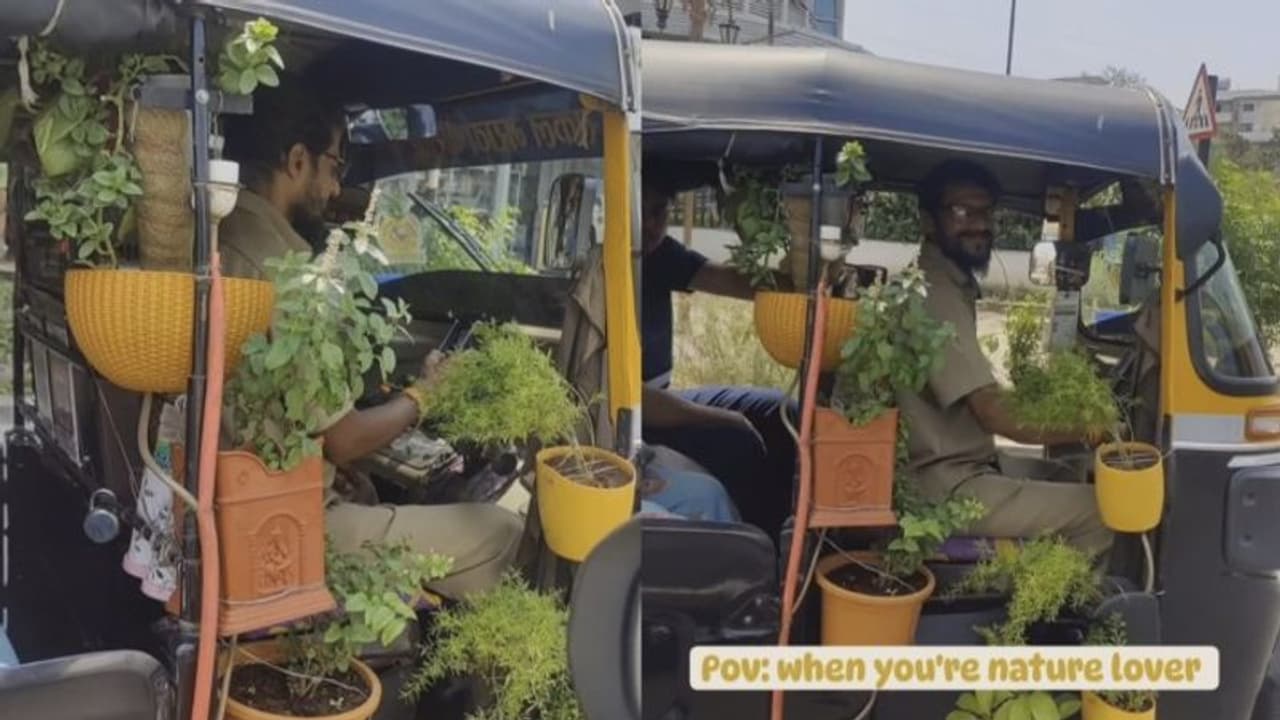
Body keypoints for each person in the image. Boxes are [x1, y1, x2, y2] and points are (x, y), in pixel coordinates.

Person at [219, 79, 522, 598]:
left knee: (377, 493)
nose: (337, 190)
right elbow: (346, 437)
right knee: (502, 531)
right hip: (290, 527)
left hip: (252, 501)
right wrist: (426, 396)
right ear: (297, 160)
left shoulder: (226, 239)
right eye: (336, 167)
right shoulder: (287, 276)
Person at [898, 158, 1112, 555]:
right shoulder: (934, 293)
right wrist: (1092, 427)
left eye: (986, 212)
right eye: (962, 211)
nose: (979, 224)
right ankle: (1065, 613)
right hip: (944, 486)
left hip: (963, 467)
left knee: (1067, 473)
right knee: (1102, 513)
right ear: (928, 221)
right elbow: (994, 412)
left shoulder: (949, 282)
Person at [638, 176, 797, 540]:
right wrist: (727, 417)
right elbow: (633, 398)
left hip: (665, 397)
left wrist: (801, 282)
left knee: (779, 411)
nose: (649, 225)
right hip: (635, 417)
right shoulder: (613, 265)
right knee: (735, 441)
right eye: (640, 212)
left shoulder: (659, 255)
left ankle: (790, 538)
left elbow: (727, 280)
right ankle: (758, 553)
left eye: (658, 211)